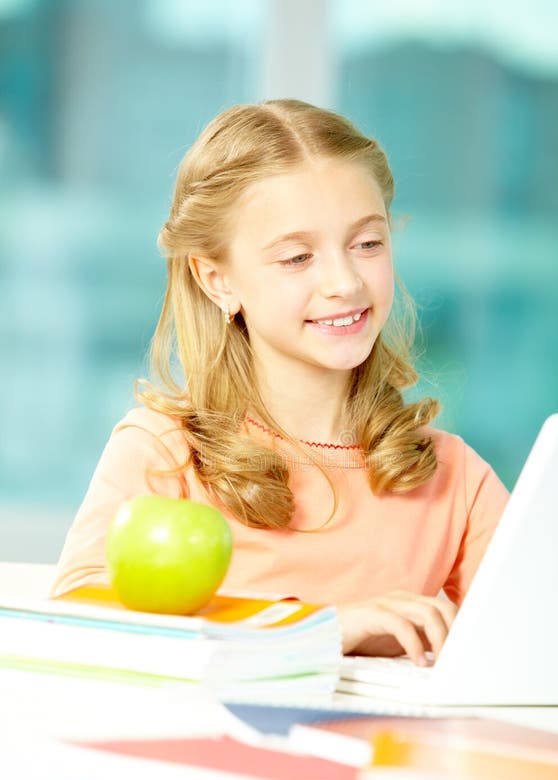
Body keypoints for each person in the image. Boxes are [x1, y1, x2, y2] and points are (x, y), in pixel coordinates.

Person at [51, 98, 509, 665]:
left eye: (367, 244)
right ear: (218, 280)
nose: (344, 282)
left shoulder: (454, 478)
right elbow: (76, 627)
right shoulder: (166, 453)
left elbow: (546, 638)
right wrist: (314, 630)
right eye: (297, 257)